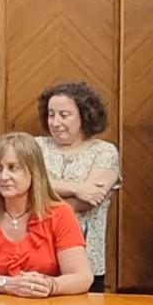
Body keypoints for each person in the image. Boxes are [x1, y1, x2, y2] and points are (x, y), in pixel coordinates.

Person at [0, 132, 94, 297]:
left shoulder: (60, 213)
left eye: (13, 168)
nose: (3, 177)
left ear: (34, 172)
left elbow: (82, 277)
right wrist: (7, 284)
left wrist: (50, 285)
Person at [35, 81, 119, 292]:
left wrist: (40, 193)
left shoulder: (104, 151)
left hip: (85, 259)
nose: (55, 122)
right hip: (37, 254)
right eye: (51, 114)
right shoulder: (35, 146)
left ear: (85, 115)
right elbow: (22, 188)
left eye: (64, 115)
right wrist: (76, 188)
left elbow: (87, 200)